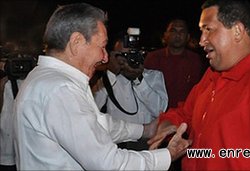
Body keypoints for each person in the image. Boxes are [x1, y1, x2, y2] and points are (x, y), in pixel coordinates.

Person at [12, 3, 191, 170]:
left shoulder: (45, 79)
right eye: (103, 47)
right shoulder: (60, 89)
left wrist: (146, 130)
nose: (105, 58)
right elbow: (108, 162)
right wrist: (167, 156)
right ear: (76, 43)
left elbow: (95, 124)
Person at [148, 0, 250, 170]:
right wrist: (168, 124)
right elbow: (186, 113)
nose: (201, 41)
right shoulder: (213, 73)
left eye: (208, 29)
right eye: (201, 31)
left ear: (237, 31)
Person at [93, 36, 168, 150]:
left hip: (145, 144)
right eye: (123, 55)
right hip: (115, 144)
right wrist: (110, 74)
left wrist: (139, 81)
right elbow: (92, 109)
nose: (128, 59)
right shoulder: (107, 80)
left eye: (132, 54)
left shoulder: (154, 76)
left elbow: (160, 111)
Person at [144, 19, 204, 109]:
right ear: (165, 35)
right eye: (173, 30)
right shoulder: (153, 58)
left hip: (185, 114)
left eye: (182, 31)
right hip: (157, 113)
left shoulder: (195, 60)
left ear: (188, 37)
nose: (178, 35)